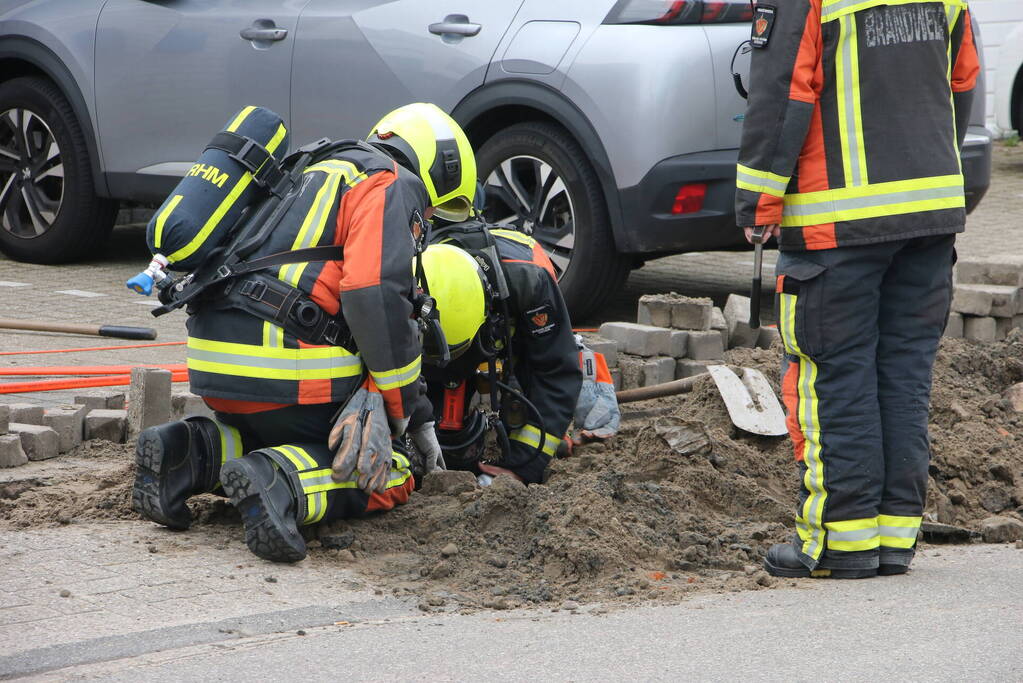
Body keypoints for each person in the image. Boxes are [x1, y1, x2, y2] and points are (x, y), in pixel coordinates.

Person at [132, 103, 478, 563]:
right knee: (388, 468)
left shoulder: (309, 168)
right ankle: (284, 484)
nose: (428, 217)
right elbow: (374, 295)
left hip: (216, 365)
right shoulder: (389, 182)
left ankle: (186, 452)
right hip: (290, 370)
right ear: (438, 169)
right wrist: (404, 415)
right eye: (434, 208)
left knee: (278, 437)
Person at [735, 0, 979, 578]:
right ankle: (893, 539)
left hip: (836, 223)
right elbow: (961, 81)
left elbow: (782, 92)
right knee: (903, 376)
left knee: (834, 376)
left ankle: (841, 541)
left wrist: (758, 199)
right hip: (929, 214)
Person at [409, 220, 612, 485]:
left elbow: (556, 372)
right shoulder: (408, 277)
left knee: (533, 391)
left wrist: (524, 462)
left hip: (518, 318)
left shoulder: (530, 281)